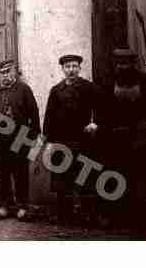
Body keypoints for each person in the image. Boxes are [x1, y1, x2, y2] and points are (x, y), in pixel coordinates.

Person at [43, 54, 101, 225]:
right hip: (62, 142)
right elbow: (49, 117)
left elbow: (101, 108)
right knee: (62, 181)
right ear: (62, 69)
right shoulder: (56, 90)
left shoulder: (88, 87)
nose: (71, 70)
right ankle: (64, 216)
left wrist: (95, 123)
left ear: (79, 68)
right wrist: (49, 142)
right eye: (68, 67)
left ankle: (87, 216)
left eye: (74, 66)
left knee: (86, 178)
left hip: (83, 141)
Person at [0, 59, 40, 221]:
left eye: (8, 72)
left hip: (20, 139)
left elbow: (34, 115)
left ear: (14, 72)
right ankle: (4, 205)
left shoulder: (24, 89)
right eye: (2, 73)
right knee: (2, 174)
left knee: (21, 173)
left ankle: (22, 206)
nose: (5, 75)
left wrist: (34, 137)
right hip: (0, 141)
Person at [99, 48, 146, 230]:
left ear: (132, 64)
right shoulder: (108, 82)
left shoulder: (143, 81)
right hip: (114, 140)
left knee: (138, 179)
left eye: (126, 63)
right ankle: (114, 217)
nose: (122, 67)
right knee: (113, 178)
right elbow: (102, 111)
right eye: (119, 63)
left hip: (139, 140)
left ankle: (138, 218)